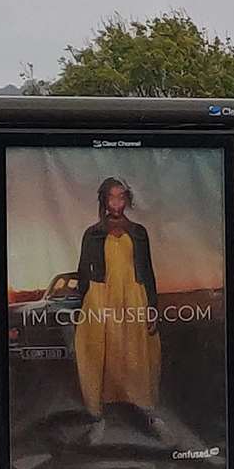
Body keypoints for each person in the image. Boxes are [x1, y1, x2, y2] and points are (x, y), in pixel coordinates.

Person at [74, 178, 162, 426]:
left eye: (121, 197)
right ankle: (100, 407)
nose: (117, 202)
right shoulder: (93, 233)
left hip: (133, 295)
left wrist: (152, 307)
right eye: (112, 197)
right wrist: (85, 301)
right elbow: (82, 269)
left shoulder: (138, 232)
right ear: (104, 200)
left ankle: (139, 405)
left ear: (127, 199)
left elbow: (148, 270)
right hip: (101, 295)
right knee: (100, 351)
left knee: (135, 351)